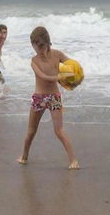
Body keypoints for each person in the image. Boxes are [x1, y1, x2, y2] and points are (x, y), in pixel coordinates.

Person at [17, 26, 79, 169]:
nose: (39, 49)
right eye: (35, 46)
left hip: (54, 98)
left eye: (41, 46)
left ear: (48, 43)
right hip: (39, 98)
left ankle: (74, 160)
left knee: (59, 131)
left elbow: (71, 64)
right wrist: (60, 76)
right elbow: (44, 77)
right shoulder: (34, 61)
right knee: (31, 131)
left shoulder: (57, 55)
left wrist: (74, 72)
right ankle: (24, 156)